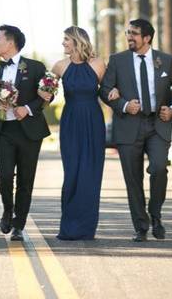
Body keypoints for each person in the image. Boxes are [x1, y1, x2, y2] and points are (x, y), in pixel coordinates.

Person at [99, 18, 172, 242]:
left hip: (157, 124)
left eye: (134, 34)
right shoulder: (117, 60)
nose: (129, 37)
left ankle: (156, 214)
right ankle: (141, 226)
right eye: (128, 33)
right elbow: (105, 90)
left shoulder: (165, 61)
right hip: (129, 125)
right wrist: (123, 105)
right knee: (133, 178)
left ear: (147, 38)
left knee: (159, 169)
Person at [46, 26, 106, 241]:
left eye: (66, 40)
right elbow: (47, 94)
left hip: (93, 121)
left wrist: (117, 95)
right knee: (72, 173)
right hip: (71, 121)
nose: (63, 43)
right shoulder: (59, 66)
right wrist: (43, 93)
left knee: (91, 174)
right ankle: (69, 227)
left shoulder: (98, 64)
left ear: (77, 41)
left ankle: (87, 228)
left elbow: (107, 91)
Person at [0, 24, 51, 241]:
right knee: (4, 174)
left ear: (10, 42)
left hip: (30, 131)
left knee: (26, 179)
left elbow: (48, 95)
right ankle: (8, 209)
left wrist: (26, 109)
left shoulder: (35, 67)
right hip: (5, 129)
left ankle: (19, 224)